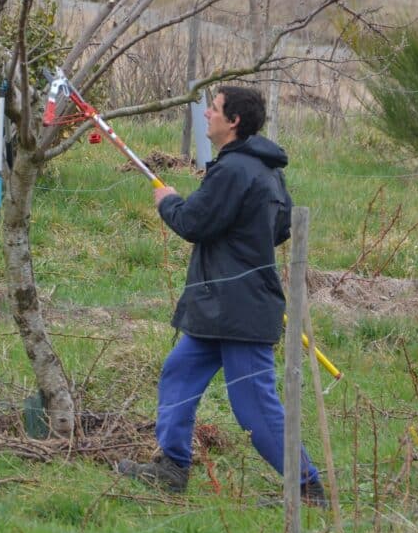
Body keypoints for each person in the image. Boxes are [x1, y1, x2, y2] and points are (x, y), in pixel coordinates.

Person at [115, 85, 326, 506]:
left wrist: (167, 201)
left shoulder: (234, 171)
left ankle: (307, 489)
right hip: (220, 305)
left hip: (240, 310)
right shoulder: (265, 169)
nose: (206, 114)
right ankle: (172, 467)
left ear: (233, 122)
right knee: (179, 372)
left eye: (213, 109)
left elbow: (193, 222)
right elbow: (280, 226)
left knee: (253, 405)